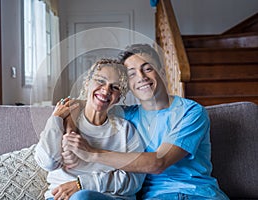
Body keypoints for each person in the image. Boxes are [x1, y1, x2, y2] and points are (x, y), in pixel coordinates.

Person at [62, 44, 229, 200]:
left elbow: (159, 162)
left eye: (148, 69)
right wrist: (70, 136)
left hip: (196, 193)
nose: (141, 77)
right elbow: (75, 105)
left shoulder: (190, 112)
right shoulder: (126, 115)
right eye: (131, 73)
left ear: (162, 73)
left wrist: (91, 153)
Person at [34, 58, 145, 200]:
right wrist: (55, 118)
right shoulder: (63, 120)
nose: (106, 90)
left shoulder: (125, 130)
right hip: (58, 197)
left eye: (115, 87)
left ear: (119, 97)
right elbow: (48, 162)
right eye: (100, 81)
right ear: (87, 83)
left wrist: (83, 184)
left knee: (83, 197)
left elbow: (134, 181)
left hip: (106, 197)